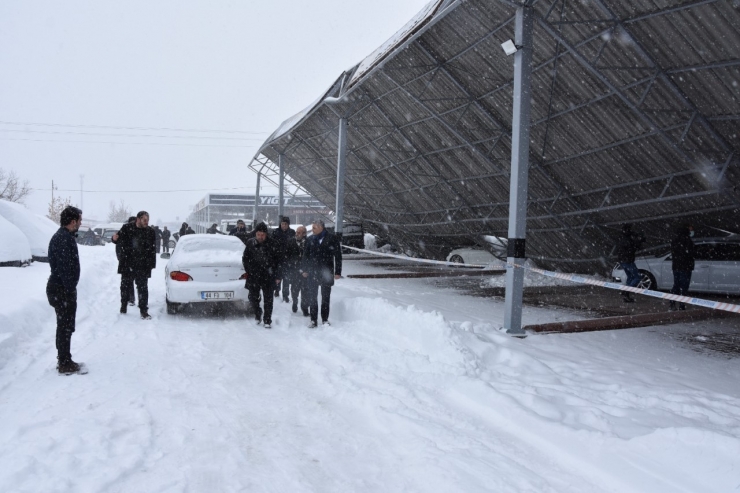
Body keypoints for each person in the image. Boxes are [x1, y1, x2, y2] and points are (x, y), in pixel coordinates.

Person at [46, 206, 83, 374]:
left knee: (65, 326)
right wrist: (69, 289)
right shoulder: (62, 238)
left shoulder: (65, 236)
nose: (80, 224)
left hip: (63, 289)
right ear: (73, 221)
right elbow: (63, 269)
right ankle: (64, 362)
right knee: (64, 326)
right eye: (79, 220)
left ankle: (65, 358)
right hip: (61, 289)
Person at [112, 211, 156, 319]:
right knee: (125, 286)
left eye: (148, 220)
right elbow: (117, 240)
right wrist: (114, 239)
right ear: (138, 219)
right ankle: (123, 305)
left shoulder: (150, 231)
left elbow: (152, 249)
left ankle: (143, 311)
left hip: (143, 265)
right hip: (128, 263)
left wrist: (151, 265)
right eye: (144, 220)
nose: (147, 222)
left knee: (143, 288)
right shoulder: (127, 228)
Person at [302, 219, 342, 327]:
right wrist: (304, 270)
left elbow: (338, 256)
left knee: (325, 297)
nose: (312, 229)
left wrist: (338, 271)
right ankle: (313, 320)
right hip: (312, 272)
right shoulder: (310, 239)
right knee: (313, 297)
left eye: (314, 227)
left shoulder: (332, 239)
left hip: (327, 272)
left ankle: (325, 319)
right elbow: (305, 256)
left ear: (321, 227)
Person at [242, 222, 281, 329]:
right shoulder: (250, 243)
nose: (260, 237)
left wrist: (278, 276)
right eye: (258, 234)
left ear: (266, 234)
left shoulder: (273, 244)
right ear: (256, 234)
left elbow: (278, 261)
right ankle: (258, 312)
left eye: (262, 235)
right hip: (254, 275)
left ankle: (267, 320)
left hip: (268, 276)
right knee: (252, 298)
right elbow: (245, 258)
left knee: (268, 299)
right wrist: (249, 270)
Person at [615, 223, 645, 303]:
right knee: (637, 277)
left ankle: (626, 295)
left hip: (623, 260)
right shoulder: (627, 239)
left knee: (630, 277)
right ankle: (626, 292)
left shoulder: (622, 237)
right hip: (628, 261)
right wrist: (638, 242)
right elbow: (632, 248)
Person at [284, 225, 309, 315]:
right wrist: (293, 265)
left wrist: (306, 269)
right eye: (297, 232)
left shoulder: (308, 242)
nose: (297, 234)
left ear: (304, 234)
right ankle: (295, 302)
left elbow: (310, 257)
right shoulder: (291, 241)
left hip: (306, 272)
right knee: (294, 290)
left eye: (299, 232)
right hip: (294, 270)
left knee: (305, 291)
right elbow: (286, 256)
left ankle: (305, 308)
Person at [670, 224, 695, 311]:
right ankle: (682, 304)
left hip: (676, 266)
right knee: (684, 286)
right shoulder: (688, 241)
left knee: (676, 285)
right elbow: (690, 254)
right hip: (686, 267)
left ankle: (672, 303)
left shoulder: (674, 241)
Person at [272, 216, 296, 301]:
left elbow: (294, 245)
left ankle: (286, 295)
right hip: (278, 258)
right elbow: (272, 244)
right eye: (282, 224)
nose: (284, 225)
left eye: (285, 224)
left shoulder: (292, 232)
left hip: (288, 258)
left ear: (288, 224)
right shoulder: (276, 232)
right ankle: (277, 290)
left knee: (286, 277)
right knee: (278, 276)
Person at [116, 216, 137, 306]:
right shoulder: (125, 231)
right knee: (131, 281)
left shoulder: (124, 231)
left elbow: (118, 246)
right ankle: (130, 299)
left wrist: (120, 257)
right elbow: (118, 245)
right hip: (130, 261)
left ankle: (127, 300)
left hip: (126, 261)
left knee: (127, 282)